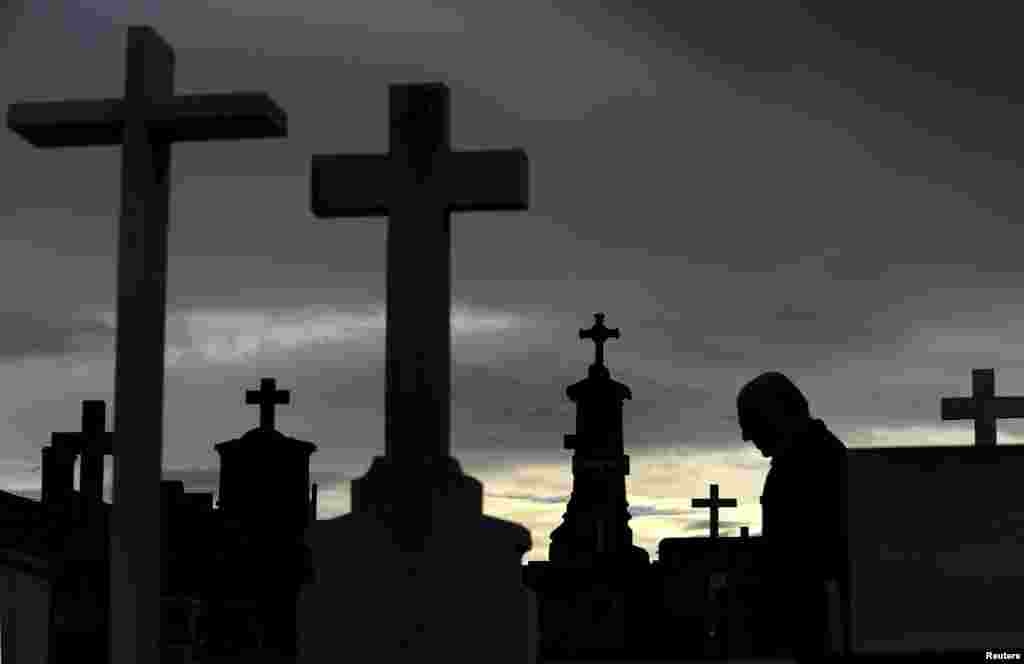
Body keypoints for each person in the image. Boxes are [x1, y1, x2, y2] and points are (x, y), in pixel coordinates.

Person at [736, 371, 848, 660]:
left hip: (815, 624)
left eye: (752, 423)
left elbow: (805, 556)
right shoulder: (798, 461)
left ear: (779, 415)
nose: (747, 436)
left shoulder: (817, 463)